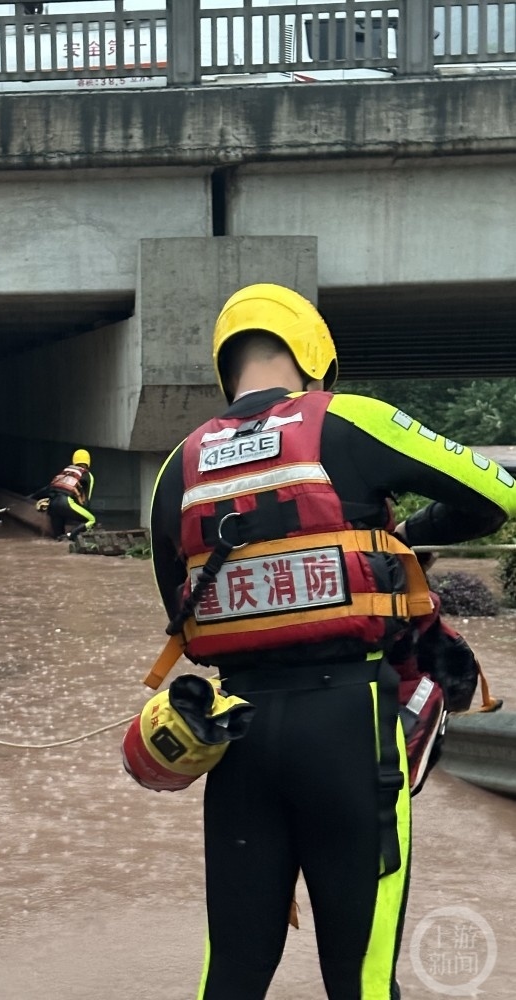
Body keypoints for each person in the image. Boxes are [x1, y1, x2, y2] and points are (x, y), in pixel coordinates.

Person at [148, 283, 516, 1000]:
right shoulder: (351, 420)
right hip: (352, 734)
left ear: (227, 364)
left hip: (239, 740)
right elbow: (498, 493)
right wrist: (399, 541)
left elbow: (184, 616)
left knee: (230, 975)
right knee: (361, 985)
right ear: (315, 355)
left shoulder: (177, 467)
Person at [33, 448, 96, 540]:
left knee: (58, 538)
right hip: (66, 503)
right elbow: (86, 501)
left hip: (52, 505)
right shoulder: (87, 475)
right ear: (88, 461)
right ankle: (70, 535)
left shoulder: (66, 471)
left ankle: (62, 537)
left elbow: (48, 488)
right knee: (92, 519)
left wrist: (32, 497)